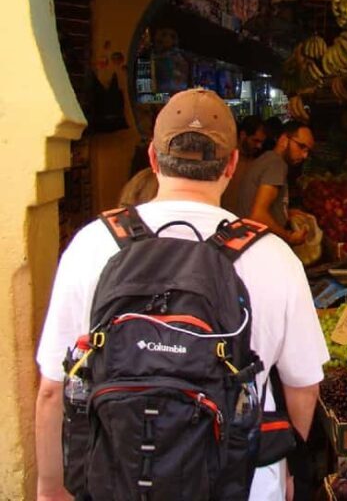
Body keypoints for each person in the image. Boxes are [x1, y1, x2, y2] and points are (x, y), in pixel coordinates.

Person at [35, 88, 329, 501]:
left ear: (153, 159)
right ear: (231, 165)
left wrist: (50, 490)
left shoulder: (92, 245)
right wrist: (288, 467)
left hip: (115, 480)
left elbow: (53, 389)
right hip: (243, 483)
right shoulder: (274, 256)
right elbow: (303, 387)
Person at [237, 121, 314, 245]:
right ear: (284, 139)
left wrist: (284, 212)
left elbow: (260, 203)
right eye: (301, 146)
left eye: (307, 151)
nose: (304, 155)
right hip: (259, 245)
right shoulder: (276, 164)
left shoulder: (268, 159)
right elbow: (258, 215)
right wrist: (288, 237)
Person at [221, 115, 267, 212]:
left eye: (261, 142)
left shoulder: (258, 162)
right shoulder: (225, 159)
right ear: (243, 135)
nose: (259, 146)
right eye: (255, 140)